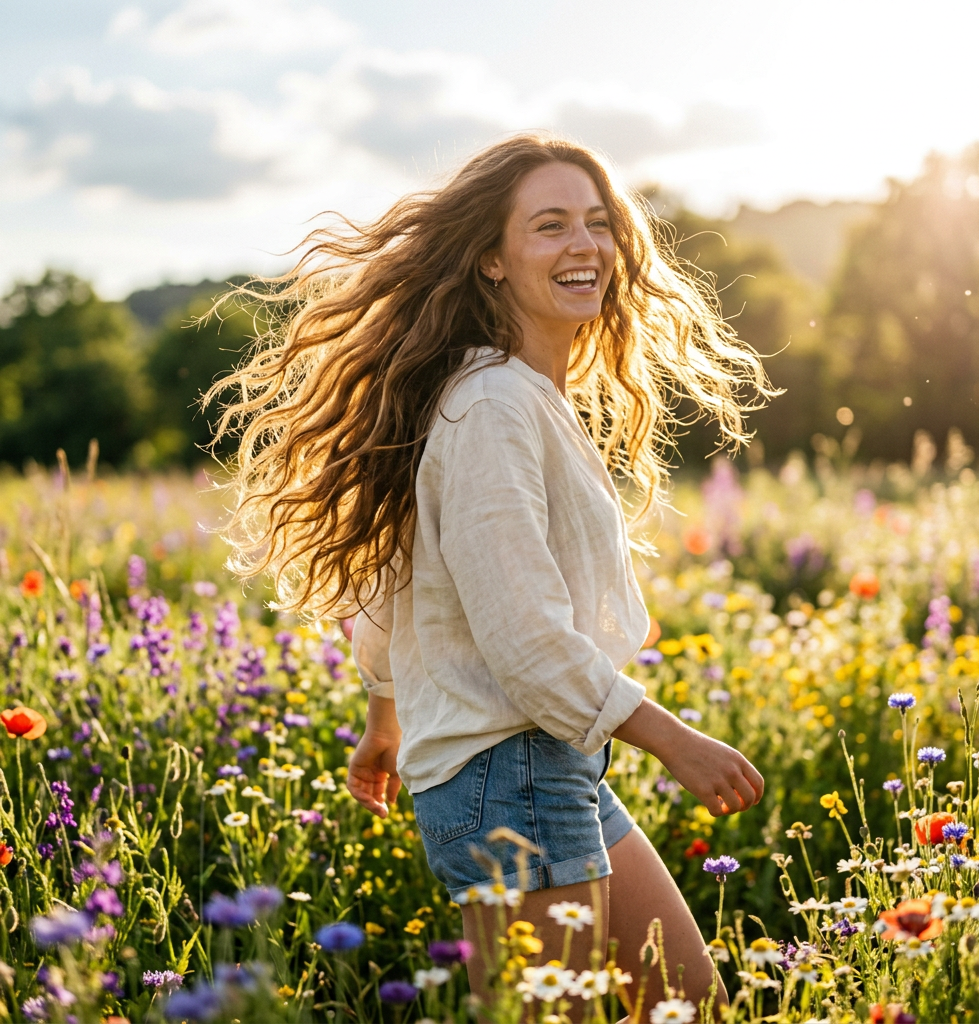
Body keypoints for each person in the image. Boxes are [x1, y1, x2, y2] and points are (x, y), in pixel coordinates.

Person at [208, 133, 772, 1017]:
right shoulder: (492, 404)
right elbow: (525, 638)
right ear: (491, 261)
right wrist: (674, 740)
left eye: (597, 223)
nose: (584, 245)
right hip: (510, 769)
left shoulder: (508, 393)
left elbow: (401, 567)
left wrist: (387, 715)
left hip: (541, 761)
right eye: (549, 226)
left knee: (683, 997)